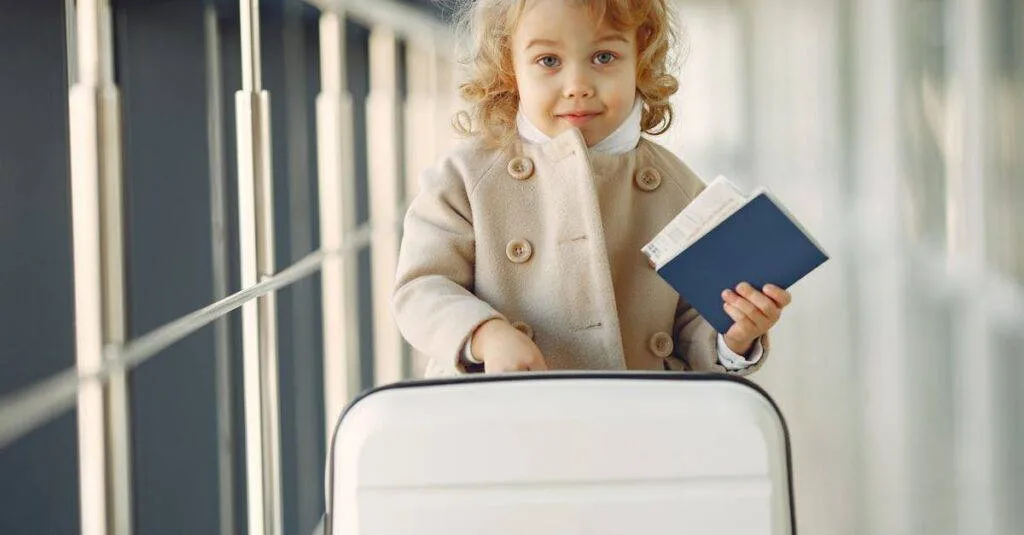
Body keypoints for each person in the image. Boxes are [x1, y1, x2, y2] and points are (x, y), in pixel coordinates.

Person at [392, 0, 792, 377]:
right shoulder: (465, 177)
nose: (577, 85)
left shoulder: (682, 191)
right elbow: (421, 288)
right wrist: (484, 334)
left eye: (604, 57)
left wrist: (734, 336)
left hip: (635, 428)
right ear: (509, 66)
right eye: (548, 60)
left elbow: (694, 324)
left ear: (641, 59)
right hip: (501, 419)